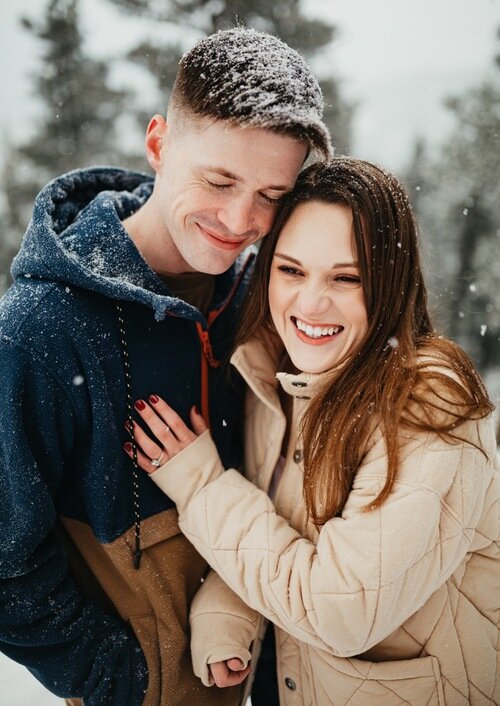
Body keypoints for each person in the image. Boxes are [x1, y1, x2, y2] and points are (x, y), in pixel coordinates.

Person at [0, 28, 332, 706]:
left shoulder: (267, 304)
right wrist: (125, 679)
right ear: (158, 143)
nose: (241, 219)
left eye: (272, 194)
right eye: (219, 179)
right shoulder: (41, 330)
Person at [128, 157, 499, 706]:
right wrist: (228, 611)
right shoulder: (274, 375)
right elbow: (280, 529)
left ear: (390, 284)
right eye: (291, 270)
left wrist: (202, 487)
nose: (310, 302)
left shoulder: (427, 407)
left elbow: (341, 610)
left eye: (346, 277)